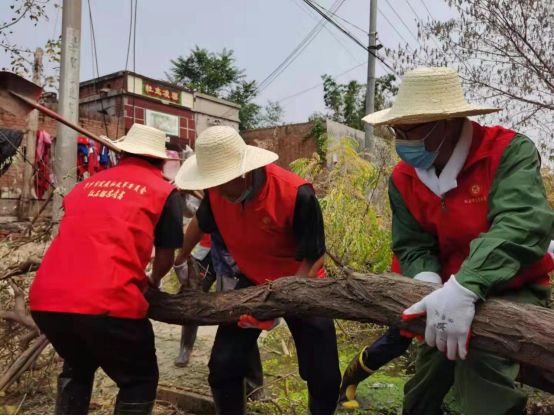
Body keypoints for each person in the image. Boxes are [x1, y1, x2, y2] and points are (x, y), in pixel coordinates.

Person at [350, 67, 554, 415]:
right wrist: (429, 285)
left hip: (513, 283)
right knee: (425, 380)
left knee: (482, 370)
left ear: (446, 122)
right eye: (396, 129)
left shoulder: (507, 152)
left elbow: (521, 224)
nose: (400, 139)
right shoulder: (404, 178)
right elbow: (413, 244)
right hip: (443, 290)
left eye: (409, 129)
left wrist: (467, 287)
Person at [173, 126, 341, 415]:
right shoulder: (216, 194)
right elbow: (199, 223)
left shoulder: (294, 194)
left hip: (303, 283)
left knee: (322, 374)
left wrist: (282, 301)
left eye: (222, 183)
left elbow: (314, 258)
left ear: (243, 172)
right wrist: (181, 259)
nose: (217, 191)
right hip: (252, 280)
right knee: (223, 366)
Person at [30, 124, 184, 416]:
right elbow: (165, 257)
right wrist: (153, 280)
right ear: (163, 160)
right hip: (108, 302)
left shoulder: (85, 185)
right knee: (139, 379)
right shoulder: (164, 191)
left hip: (46, 300)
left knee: (77, 367)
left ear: (121, 153)